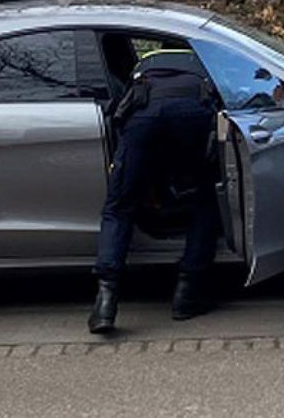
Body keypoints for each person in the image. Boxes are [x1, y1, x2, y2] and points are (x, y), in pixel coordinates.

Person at [89, 49, 220, 334]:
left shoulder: (144, 68)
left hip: (144, 116)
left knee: (119, 206)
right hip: (192, 115)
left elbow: (120, 116)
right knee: (204, 199)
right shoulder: (203, 62)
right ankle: (187, 293)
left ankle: (106, 303)